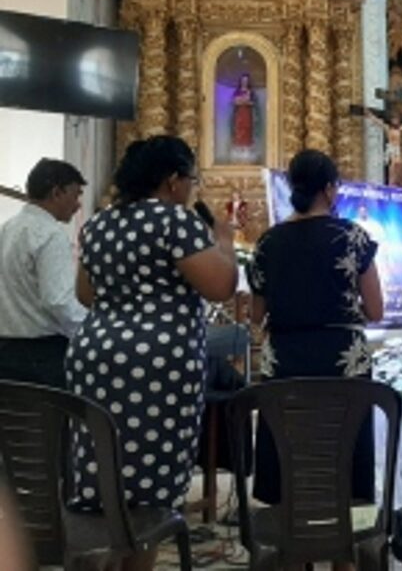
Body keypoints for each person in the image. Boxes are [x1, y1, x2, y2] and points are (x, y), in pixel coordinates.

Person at [66, 136, 237, 571]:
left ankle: (108, 559)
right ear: (172, 180)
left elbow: (86, 295)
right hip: (158, 365)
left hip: (96, 355)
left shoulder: (101, 223)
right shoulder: (174, 222)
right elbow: (220, 286)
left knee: (108, 473)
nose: (192, 189)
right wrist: (224, 240)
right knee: (151, 488)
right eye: (191, 180)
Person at [248, 149, 383, 519]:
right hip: (343, 366)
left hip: (286, 364)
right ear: (328, 189)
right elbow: (376, 310)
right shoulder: (354, 237)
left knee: (291, 454)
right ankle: (344, 551)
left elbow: (255, 314)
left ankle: (291, 541)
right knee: (342, 455)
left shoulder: (267, 242)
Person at [0, 158, 87, 388]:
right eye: (76, 195)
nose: (78, 205)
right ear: (57, 192)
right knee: (50, 423)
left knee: (14, 423)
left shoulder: (8, 227)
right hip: (42, 354)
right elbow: (58, 301)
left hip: (5, 349)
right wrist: (91, 329)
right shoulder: (50, 233)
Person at [363, 108, 402, 185]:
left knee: (398, 165)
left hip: (397, 149)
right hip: (391, 148)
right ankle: (390, 183)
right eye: (394, 119)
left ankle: (396, 181)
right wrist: (370, 115)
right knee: (392, 166)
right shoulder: (388, 128)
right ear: (391, 120)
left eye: (397, 120)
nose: (395, 121)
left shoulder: (399, 129)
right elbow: (378, 122)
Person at [231, 73, 256, 152]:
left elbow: (252, 103)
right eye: (243, 80)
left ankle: (246, 147)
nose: (244, 82)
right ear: (241, 81)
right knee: (239, 129)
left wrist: (243, 101)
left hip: (247, 113)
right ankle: (239, 147)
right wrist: (244, 100)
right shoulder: (237, 91)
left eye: (246, 80)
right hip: (239, 113)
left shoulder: (251, 92)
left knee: (247, 129)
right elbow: (234, 102)